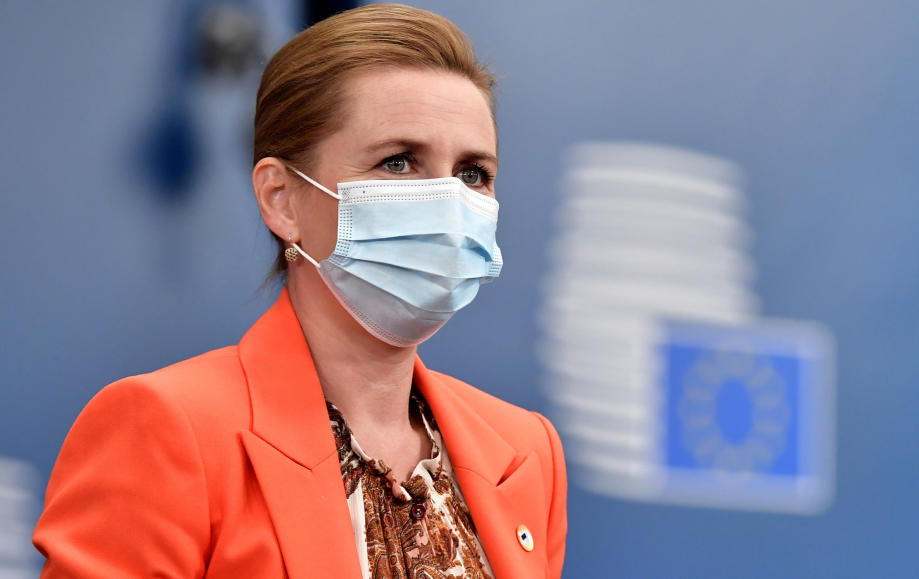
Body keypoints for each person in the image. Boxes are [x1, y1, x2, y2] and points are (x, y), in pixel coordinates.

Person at [32, 4, 567, 578]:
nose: (447, 202)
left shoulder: (525, 449)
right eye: (398, 162)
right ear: (281, 199)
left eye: (471, 173)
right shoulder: (169, 428)